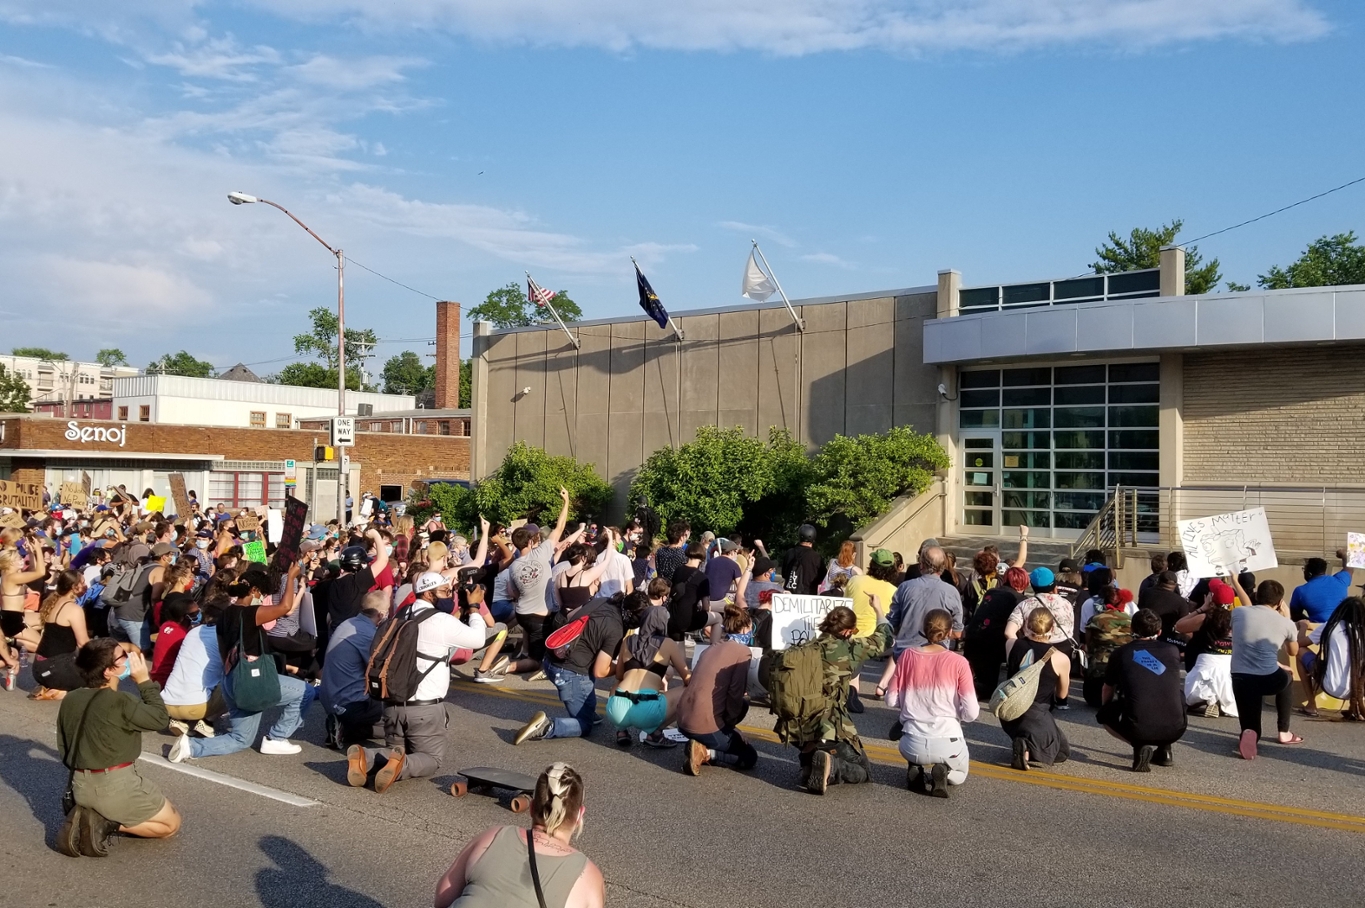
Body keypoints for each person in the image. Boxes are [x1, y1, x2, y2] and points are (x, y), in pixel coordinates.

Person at [347, 572, 491, 792]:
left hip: (391, 704)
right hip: (425, 709)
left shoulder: (399, 615)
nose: (449, 596)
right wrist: (473, 607)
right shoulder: (441, 621)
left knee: (397, 752)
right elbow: (479, 639)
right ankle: (400, 767)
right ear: (428, 593)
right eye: (444, 591)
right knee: (431, 758)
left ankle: (366, 756)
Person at [167, 562, 313, 763]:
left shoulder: (225, 614)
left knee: (241, 738)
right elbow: (286, 607)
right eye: (260, 593)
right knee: (306, 692)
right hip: (252, 681)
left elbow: (221, 651)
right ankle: (277, 737)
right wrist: (291, 576)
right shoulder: (250, 613)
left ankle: (190, 747)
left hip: (232, 679)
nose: (261, 598)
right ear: (253, 590)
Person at [56, 640, 181, 858]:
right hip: (115, 784)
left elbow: (64, 749)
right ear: (108, 671)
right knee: (171, 824)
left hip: (79, 785)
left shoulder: (71, 698)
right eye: (122, 656)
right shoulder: (121, 701)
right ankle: (104, 823)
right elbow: (160, 719)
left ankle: (92, 812)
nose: (130, 657)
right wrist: (144, 681)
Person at [433, 763, 605, 908]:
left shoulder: (492, 837)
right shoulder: (588, 877)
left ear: (531, 807)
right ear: (579, 815)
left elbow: (442, 899)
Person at [785, 602, 892, 795]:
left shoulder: (804, 648)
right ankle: (832, 767)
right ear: (846, 632)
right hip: (828, 727)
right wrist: (878, 609)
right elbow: (885, 638)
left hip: (795, 727)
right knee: (863, 771)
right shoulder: (849, 649)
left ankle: (809, 763)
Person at [885, 609, 978, 798]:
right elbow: (971, 713)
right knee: (961, 775)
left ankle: (916, 768)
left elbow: (890, 699)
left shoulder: (907, 656)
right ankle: (945, 772)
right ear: (950, 631)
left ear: (923, 628)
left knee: (914, 752)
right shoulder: (959, 662)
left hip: (911, 741)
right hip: (948, 739)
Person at [515, 591, 626, 745]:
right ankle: (547, 726)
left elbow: (571, 616)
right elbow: (600, 671)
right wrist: (623, 667)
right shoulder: (616, 630)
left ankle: (584, 708)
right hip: (569, 672)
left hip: (553, 657)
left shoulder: (602, 601)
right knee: (585, 725)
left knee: (587, 700)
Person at [1097, 608, 1187, 771]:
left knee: (1105, 715)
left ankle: (1139, 745)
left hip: (1139, 728)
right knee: (1175, 695)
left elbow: (1107, 688)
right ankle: (1165, 750)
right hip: (1177, 728)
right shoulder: (1172, 651)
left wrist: (1107, 709)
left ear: (1132, 629)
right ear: (1159, 631)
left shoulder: (1121, 653)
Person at [1228, 576, 1301, 760]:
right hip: (1268, 677)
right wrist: (1289, 619)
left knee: (1250, 723)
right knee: (1288, 676)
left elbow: (1248, 608)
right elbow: (1293, 652)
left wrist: (1235, 581)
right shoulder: (1286, 623)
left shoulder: (1238, 614)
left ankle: (1250, 734)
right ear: (1280, 602)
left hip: (1240, 677)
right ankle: (1284, 731)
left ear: (1257, 596)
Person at [678, 604, 757, 774]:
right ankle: (706, 753)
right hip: (703, 724)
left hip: (683, 719)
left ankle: (701, 742)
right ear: (744, 629)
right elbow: (735, 694)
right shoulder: (743, 652)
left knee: (742, 705)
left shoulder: (712, 647)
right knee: (749, 756)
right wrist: (731, 728)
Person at [608, 592, 690, 748]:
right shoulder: (668, 643)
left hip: (617, 708)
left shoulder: (628, 640)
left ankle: (621, 731)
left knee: (619, 683)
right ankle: (655, 733)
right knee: (688, 689)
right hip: (647, 709)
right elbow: (686, 678)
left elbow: (619, 674)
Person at [1002, 608, 1072, 771]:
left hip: (1010, 709)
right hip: (1036, 712)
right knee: (1061, 752)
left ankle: (1022, 741)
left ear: (1027, 624)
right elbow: (1062, 695)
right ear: (1052, 628)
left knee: (1049, 740)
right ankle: (1026, 748)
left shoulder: (1011, 644)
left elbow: (1010, 634)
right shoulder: (1060, 658)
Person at [320, 603, 385, 749]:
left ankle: (344, 728)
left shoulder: (347, 623)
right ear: (381, 614)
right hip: (352, 702)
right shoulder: (368, 633)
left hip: (331, 697)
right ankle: (347, 728)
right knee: (393, 718)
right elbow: (378, 668)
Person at [961, 566, 1029, 702]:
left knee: (969, 675)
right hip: (992, 644)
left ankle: (963, 691)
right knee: (986, 687)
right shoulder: (1019, 599)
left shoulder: (991, 592)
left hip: (973, 636)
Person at [1300, 596, 1365, 720]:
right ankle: (1359, 706)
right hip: (1359, 690)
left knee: (1300, 652)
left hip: (1331, 686)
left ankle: (1311, 705)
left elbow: (1299, 644)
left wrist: (1303, 627)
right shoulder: (1363, 631)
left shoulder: (1330, 626)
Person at [32, 570, 90, 699]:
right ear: (74, 587)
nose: (85, 586)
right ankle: (59, 690)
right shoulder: (74, 609)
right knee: (98, 674)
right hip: (56, 670)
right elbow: (83, 644)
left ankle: (53, 687)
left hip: (38, 669)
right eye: (83, 582)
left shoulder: (52, 602)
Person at [2, 538, 47, 689]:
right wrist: (39, 549)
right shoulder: (12, 577)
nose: (21, 560)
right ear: (9, 563)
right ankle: (47, 677)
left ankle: (11, 642)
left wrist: (30, 552)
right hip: (12, 619)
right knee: (43, 645)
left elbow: (34, 571)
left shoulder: (12, 574)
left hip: (15, 617)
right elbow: (41, 572)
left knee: (43, 625)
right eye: (18, 559)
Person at [1081, 587, 1135, 708]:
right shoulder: (1132, 621)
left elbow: (1088, 645)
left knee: (1094, 701)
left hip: (1099, 667)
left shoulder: (1096, 619)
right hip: (1124, 666)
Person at [845, 549, 899, 638]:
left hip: (852, 636)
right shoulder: (894, 591)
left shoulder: (855, 580)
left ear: (872, 564)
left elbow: (844, 608)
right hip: (877, 640)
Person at [1290, 550, 1353, 624]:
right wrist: (1344, 556)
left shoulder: (1300, 591)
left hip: (1317, 630)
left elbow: (1295, 616)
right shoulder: (1340, 580)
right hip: (1341, 627)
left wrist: (1311, 622)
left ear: (1309, 573)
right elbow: (1349, 568)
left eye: (1304, 569)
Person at [780, 524, 822, 596]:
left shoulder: (790, 553)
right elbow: (821, 579)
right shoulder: (816, 557)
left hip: (789, 595)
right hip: (808, 596)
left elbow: (784, 574)